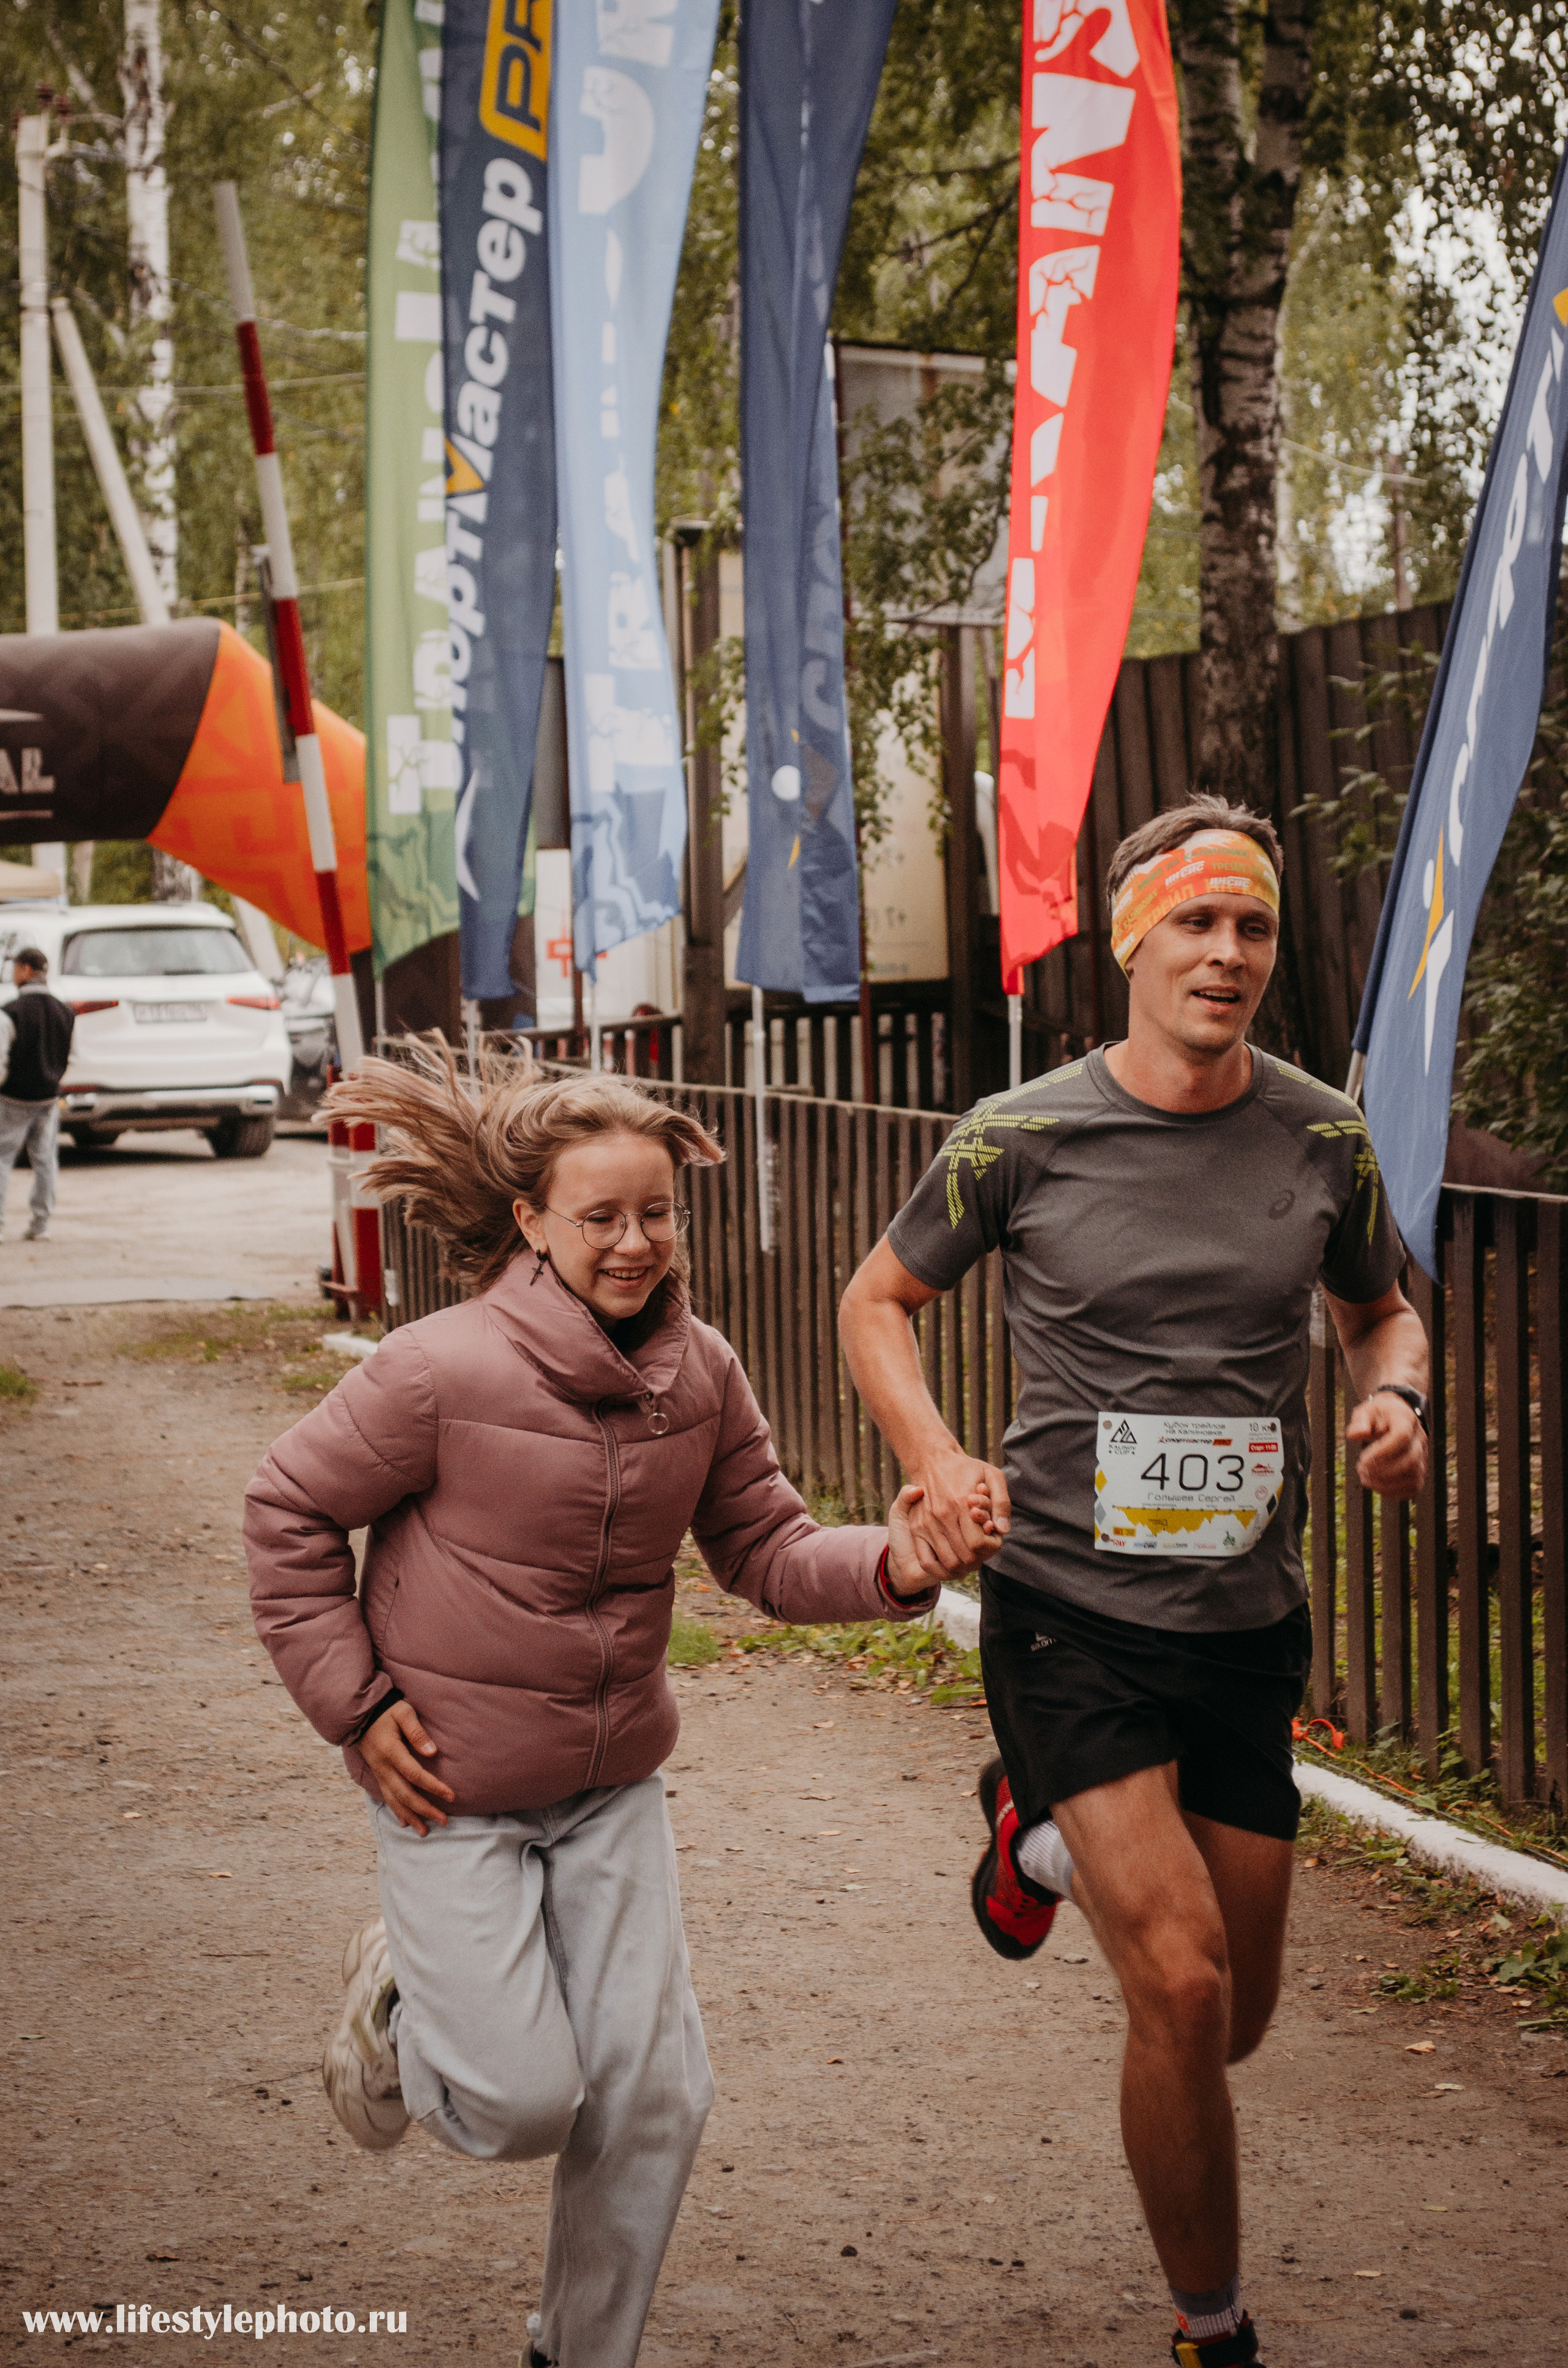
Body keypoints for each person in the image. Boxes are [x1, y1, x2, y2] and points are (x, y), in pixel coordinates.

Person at [839, 795, 1430, 2368]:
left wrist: (1395, 1397)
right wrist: (935, 1457)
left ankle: (1029, 1842)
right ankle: (1209, 2330)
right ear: (1129, 942)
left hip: (1242, 1622)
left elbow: (1378, 1308)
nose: (1226, 954)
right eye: (1194, 923)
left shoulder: (1319, 1134)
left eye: (1250, 926)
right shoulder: (1017, 1135)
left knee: (1232, 2017)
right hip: (1066, 1614)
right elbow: (874, 1300)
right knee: (1175, 1981)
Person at [244, 1043, 940, 2368]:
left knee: (656, 2098)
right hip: (450, 1786)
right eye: (601, 1216)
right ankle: (401, 2000)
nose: (634, 1243)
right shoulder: (437, 1371)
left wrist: (897, 1566)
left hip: (611, 1787)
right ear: (531, 1222)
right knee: (517, 2103)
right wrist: (355, 1705)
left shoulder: (702, 1372)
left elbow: (767, 1550)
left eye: (656, 1212)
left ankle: (578, 2352)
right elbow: (286, 1510)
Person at [0, 945, 75, 1243]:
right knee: (45, 1161)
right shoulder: (64, 1011)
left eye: (15, 969)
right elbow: (70, 1055)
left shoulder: (11, 1012)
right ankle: (41, 1224)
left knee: (2, 1159)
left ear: (26, 970)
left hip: (13, 1099)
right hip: (48, 1097)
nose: (13, 975)